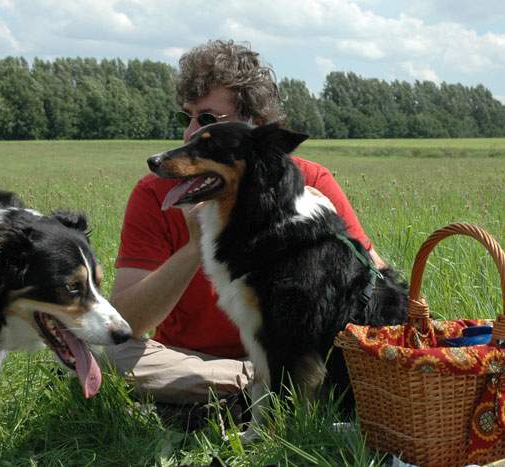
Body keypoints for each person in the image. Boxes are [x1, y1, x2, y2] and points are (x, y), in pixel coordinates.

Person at [105, 39, 385, 406]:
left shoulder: (309, 183)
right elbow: (126, 323)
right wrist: (195, 247)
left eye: (206, 120)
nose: (190, 132)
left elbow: (372, 284)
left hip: (288, 351)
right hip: (189, 360)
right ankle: (258, 388)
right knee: (105, 353)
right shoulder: (156, 194)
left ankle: (259, 391)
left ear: (254, 125)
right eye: (185, 117)